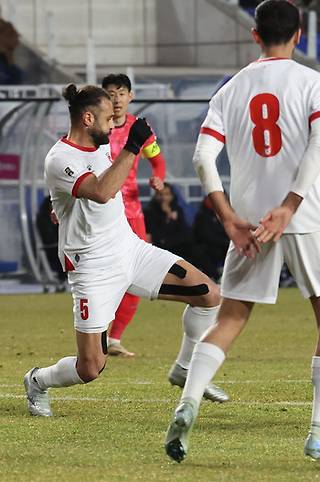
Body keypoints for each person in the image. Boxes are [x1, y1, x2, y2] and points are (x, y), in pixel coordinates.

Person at [164, 0, 320, 463]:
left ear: (255, 34)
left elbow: (203, 157)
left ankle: (188, 401)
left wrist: (228, 217)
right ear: (299, 34)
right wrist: (289, 206)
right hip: (306, 217)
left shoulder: (230, 89)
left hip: (248, 222)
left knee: (230, 318)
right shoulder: (315, 83)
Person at [23, 84, 226, 419]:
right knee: (90, 367)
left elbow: (94, 192)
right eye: (107, 119)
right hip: (92, 267)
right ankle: (37, 380)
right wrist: (132, 146)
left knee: (208, 294)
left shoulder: (100, 144)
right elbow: (101, 191)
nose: (113, 125)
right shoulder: (60, 158)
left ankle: (185, 368)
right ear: (87, 119)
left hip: (129, 249)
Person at [101, 73, 165, 358]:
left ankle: (114, 339)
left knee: (135, 274)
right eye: (110, 93)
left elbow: (157, 161)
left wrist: (158, 177)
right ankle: (97, 334)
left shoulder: (139, 129)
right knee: (102, 273)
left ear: (130, 96)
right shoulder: (95, 127)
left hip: (132, 210)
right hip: (101, 208)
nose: (116, 99)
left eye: (121, 93)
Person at [193, 195, 231, 282]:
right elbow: (207, 237)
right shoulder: (202, 215)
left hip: (221, 245)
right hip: (206, 246)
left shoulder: (225, 215)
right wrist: (226, 242)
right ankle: (216, 277)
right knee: (202, 253)